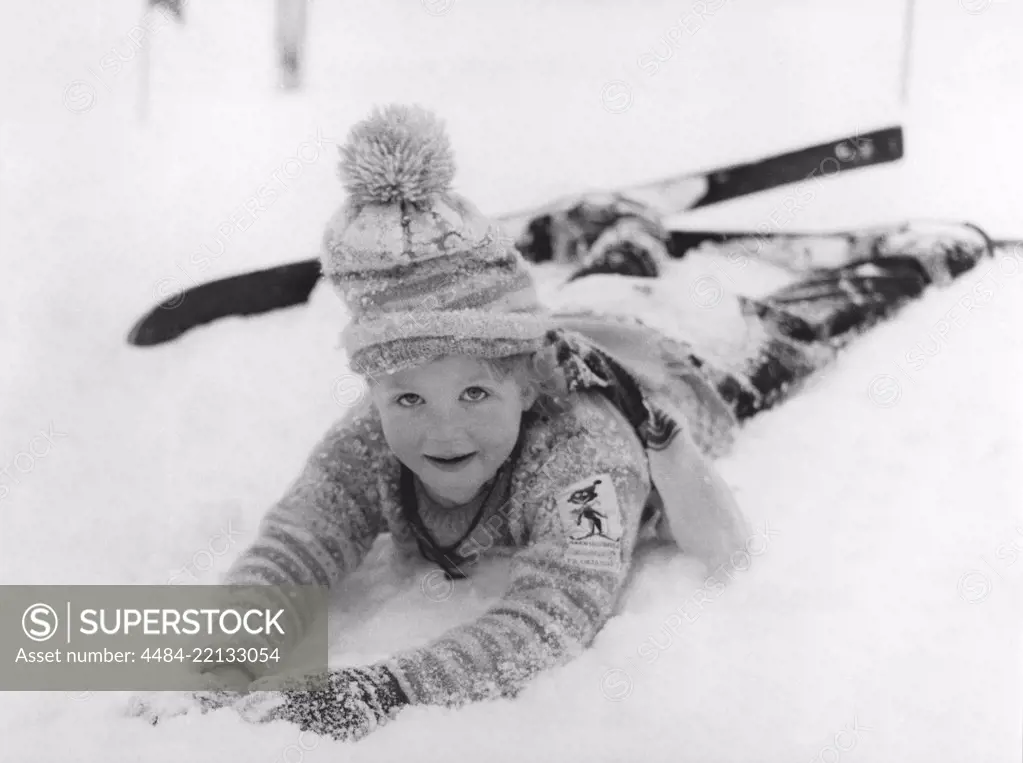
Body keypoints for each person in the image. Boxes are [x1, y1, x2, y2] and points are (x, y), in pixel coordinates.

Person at [130, 103, 990, 741]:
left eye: (474, 395)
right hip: (580, 310)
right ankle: (622, 227)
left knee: (804, 327)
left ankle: (922, 254)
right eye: (407, 399)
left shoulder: (578, 453)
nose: (439, 431)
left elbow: (553, 612)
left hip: (687, 358)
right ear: (378, 391)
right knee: (605, 281)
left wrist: (386, 689)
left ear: (525, 381)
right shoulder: (378, 427)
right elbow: (296, 542)